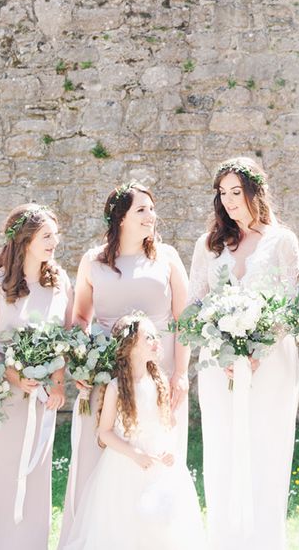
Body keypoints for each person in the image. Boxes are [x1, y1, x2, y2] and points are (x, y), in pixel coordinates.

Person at [58, 182, 190, 545]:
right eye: (142, 210)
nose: (152, 216)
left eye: (152, 208)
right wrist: (81, 364)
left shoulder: (167, 258)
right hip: (106, 376)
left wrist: (181, 374)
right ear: (120, 218)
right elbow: (81, 319)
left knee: (158, 458)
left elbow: (183, 321)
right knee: (97, 457)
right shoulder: (93, 261)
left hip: (157, 378)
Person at [189, 157, 299, 550]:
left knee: (266, 447)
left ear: (256, 192)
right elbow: (196, 303)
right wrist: (222, 351)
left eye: (237, 192)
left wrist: (257, 352)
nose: (230, 200)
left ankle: (264, 539)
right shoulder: (208, 245)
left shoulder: (281, 240)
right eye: (223, 193)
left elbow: (290, 304)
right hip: (219, 365)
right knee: (223, 446)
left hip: (270, 363)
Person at [0, 204, 72, 550]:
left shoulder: (59, 281)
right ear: (25, 240)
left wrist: (59, 381)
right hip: (1, 399)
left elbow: (61, 336)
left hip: (41, 400)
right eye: (46, 235)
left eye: (55, 235)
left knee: (33, 479)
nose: (54, 242)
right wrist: (10, 371)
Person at [64, 314, 205, 550]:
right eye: (148, 337)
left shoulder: (159, 381)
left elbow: (168, 423)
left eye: (156, 336)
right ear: (129, 345)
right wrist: (134, 453)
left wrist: (169, 449)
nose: (156, 341)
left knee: (163, 527)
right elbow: (105, 432)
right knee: (125, 525)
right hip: (125, 465)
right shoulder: (116, 387)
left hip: (158, 463)